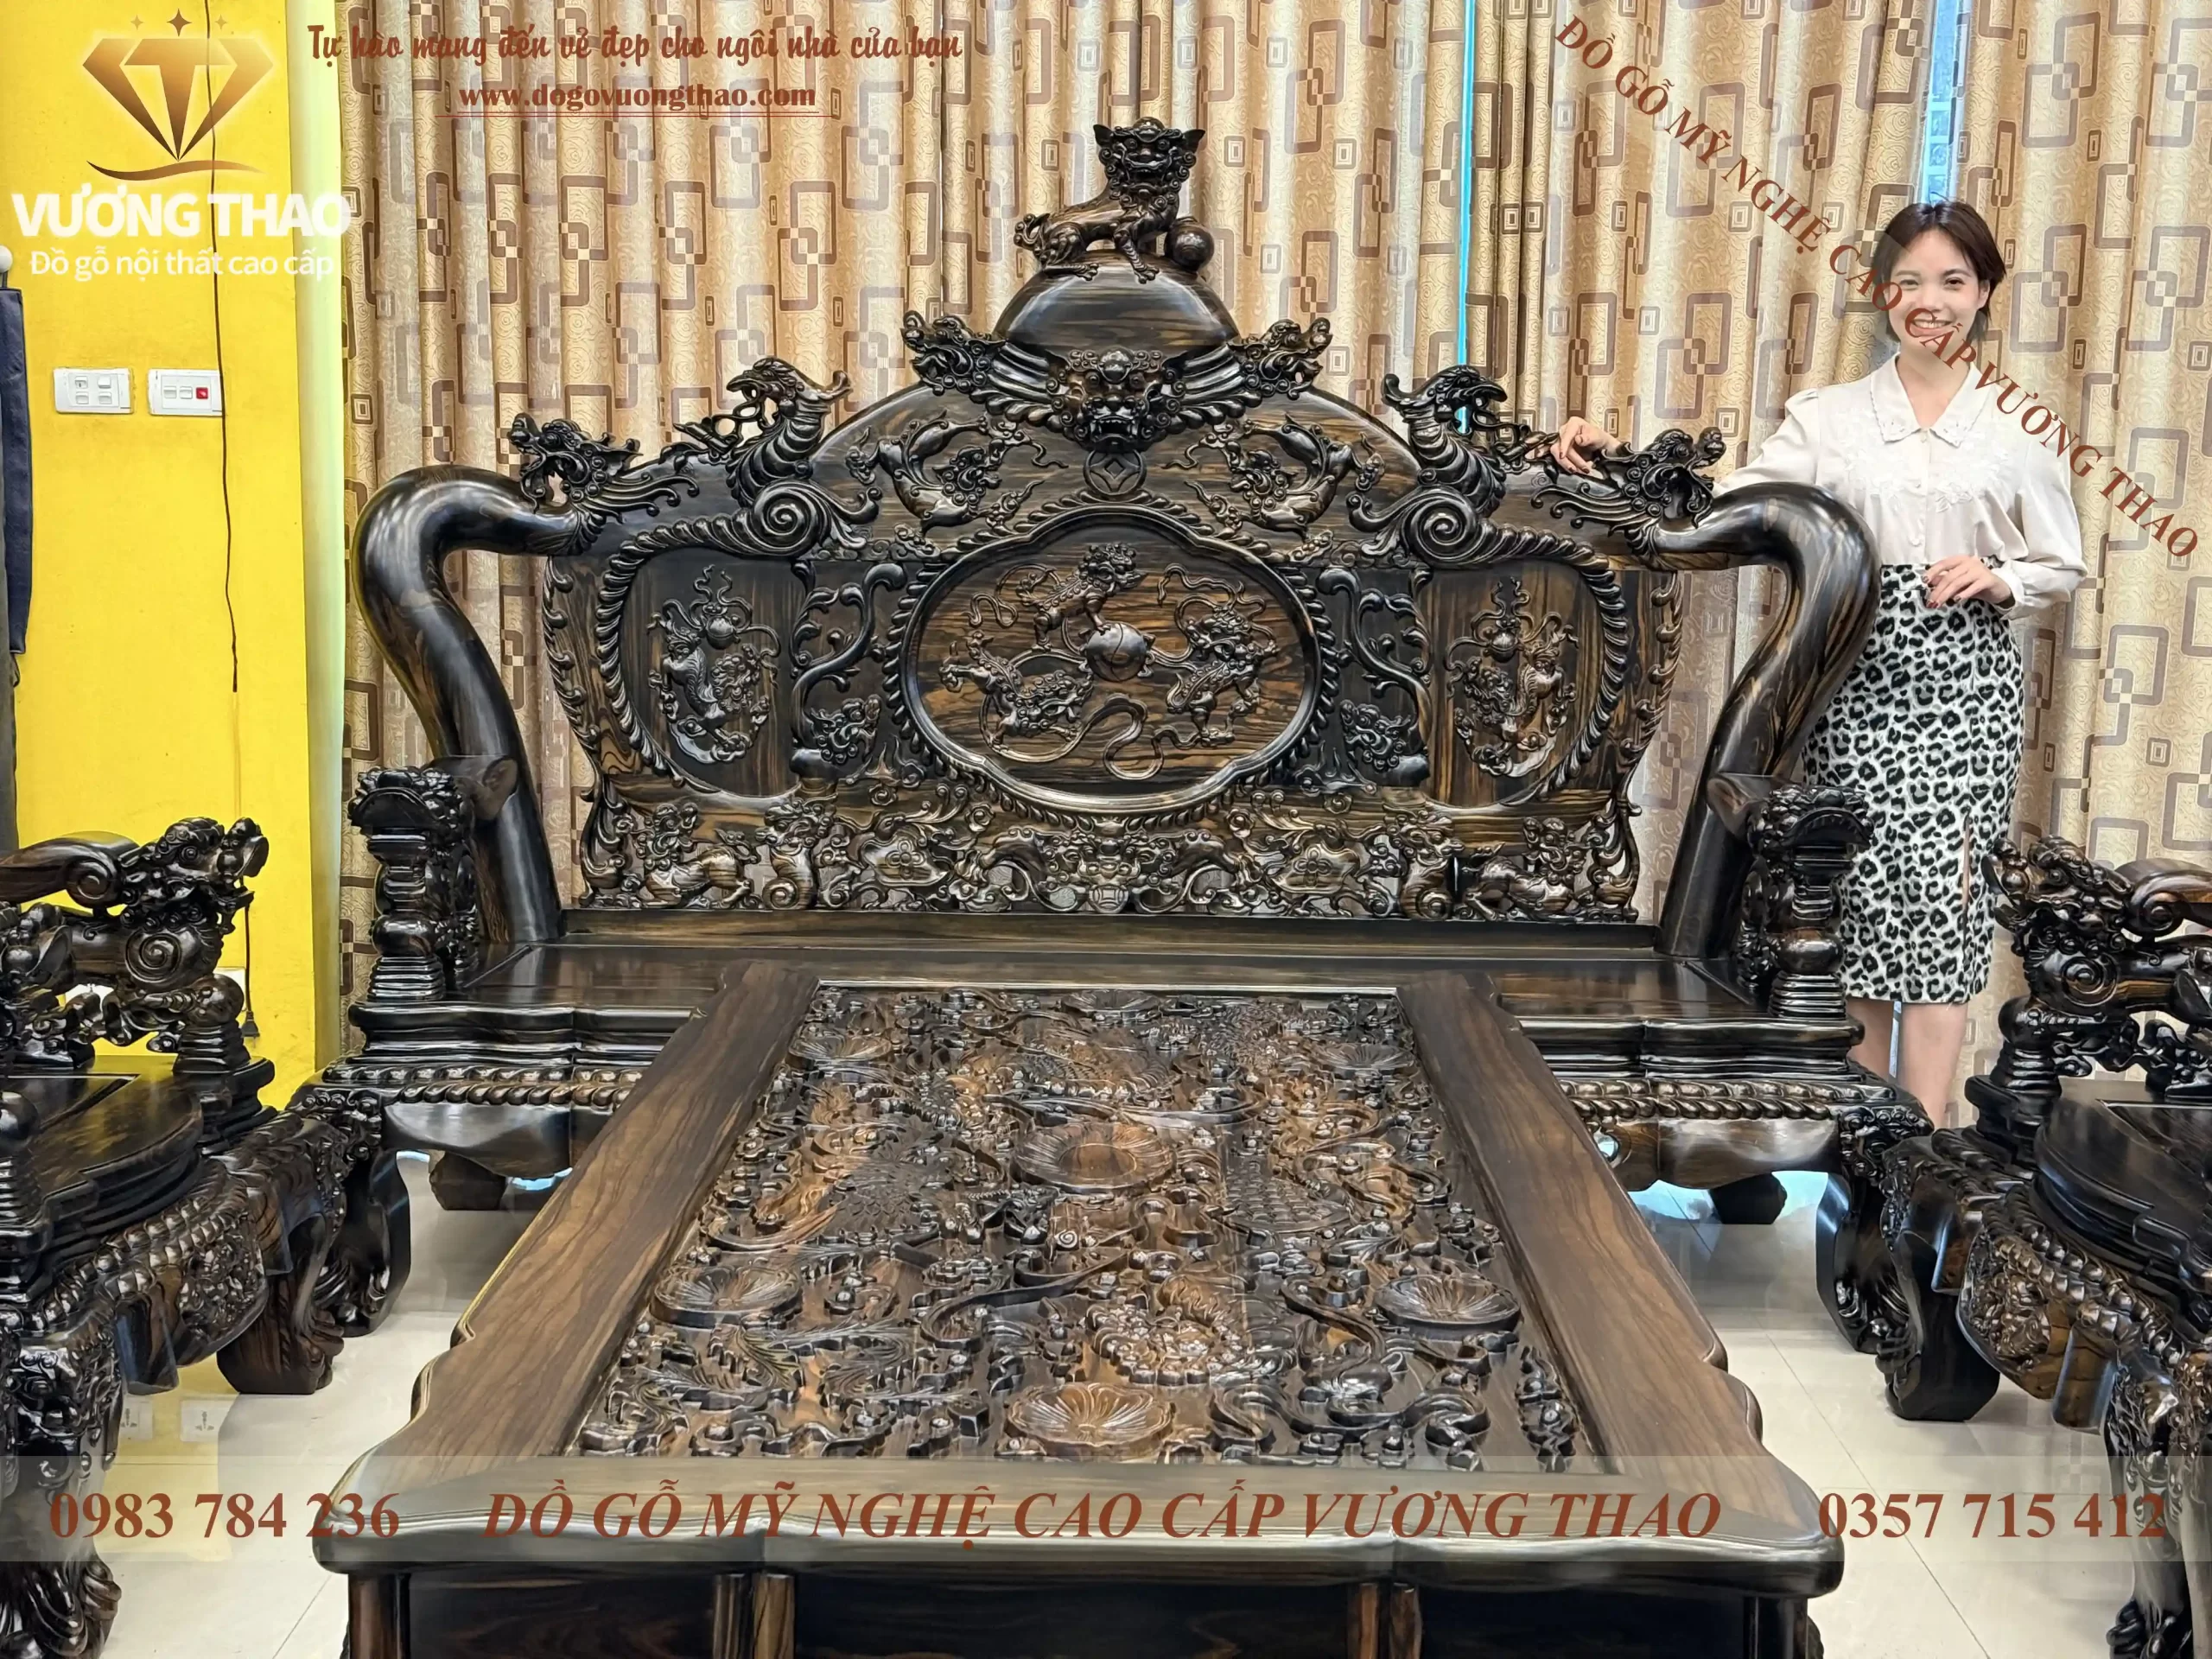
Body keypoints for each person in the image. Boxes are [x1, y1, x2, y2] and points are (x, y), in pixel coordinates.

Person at [1549, 200, 2087, 1123]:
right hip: (1852, 675)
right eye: (1908, 281)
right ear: (1882, 294)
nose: (1929, 301)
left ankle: (1926, 1146)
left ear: (1983, 292)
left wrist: (2000, 576)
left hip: (1967, 691)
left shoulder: (2019, 427)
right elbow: (1723, 503)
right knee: (1860, 905)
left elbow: (2062, 562)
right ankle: (1863, 1139)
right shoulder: (1830, 418)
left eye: (1952, 281)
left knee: (1944, 912)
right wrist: (1616, 461)